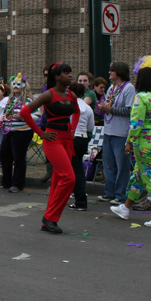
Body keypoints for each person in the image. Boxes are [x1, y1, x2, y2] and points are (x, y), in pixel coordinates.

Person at [109, 66, 151, 228]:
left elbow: (136, 123)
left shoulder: (141, 98)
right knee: (139, 174)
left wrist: (129, 142)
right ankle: (125, 207)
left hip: (145, 143)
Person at [20, 64, 80, 234]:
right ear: (57, 76)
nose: (70, 75)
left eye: (70, 72)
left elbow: (77, 112)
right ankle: (50, 217)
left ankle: (48, 220)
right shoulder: (48, 94)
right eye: (66, 73)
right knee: (69, 178)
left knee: (59, 178)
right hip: (52, 139)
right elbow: (25, 112)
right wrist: (40, 132)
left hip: (67, 138)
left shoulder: (71, 94)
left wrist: (73, 129)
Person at [97, 62, 136, 204]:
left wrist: (110, 109)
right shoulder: (111, 88)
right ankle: (109, 192)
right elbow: (109, 104)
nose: (109, 73)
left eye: (111, 71)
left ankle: (120, 194)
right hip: (108, 130)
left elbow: (130, 110)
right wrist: (102, 107)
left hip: (121, 132)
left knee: (122, 165)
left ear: (118, 72)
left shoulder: (129, 88)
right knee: (108, 163)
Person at [0, 75, 34, 193]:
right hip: (9, 130)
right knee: (4, 155)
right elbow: (6, 113)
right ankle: (6, 181)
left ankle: (18, 183)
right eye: (14, 84)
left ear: (24, 86)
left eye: (18, 84)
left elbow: (37, 116)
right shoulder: (10, 100)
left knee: (18, 157)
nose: (15, 87)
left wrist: (23, 117)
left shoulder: (29, 101)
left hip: (22, 132)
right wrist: (2, 120)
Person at [68, 82, 94, 210]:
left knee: (74, 170)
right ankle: (79, 198)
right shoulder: (87, 107)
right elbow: (91, 127)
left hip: (72, 138)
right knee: (77, 168)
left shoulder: (69, 106)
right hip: (83, 138)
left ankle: (80, 201)